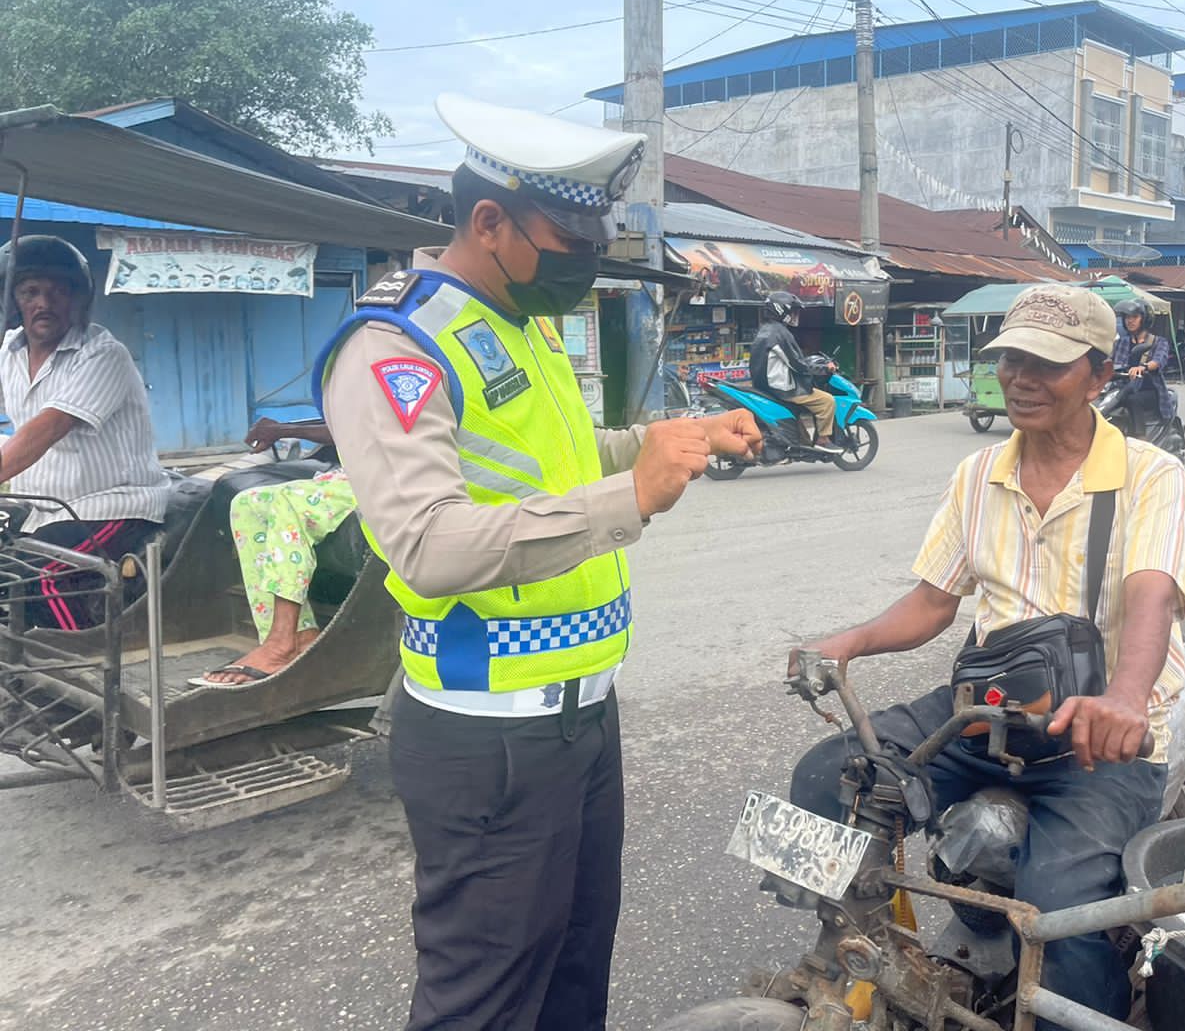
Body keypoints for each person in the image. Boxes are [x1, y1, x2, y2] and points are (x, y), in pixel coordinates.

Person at [315, 93, 762, 1031]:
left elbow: (556, 460)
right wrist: (630, 496)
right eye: (569, 234)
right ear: (489, 222)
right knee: (482, 1002)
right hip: (490, 742)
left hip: (581, 721)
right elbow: (429, 542)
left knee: (570, 977)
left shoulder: (523, 320)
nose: (586, 253)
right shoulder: (397, 343)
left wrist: (663, 441)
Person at [789, 284, 1185, 1024]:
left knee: (1065, 911)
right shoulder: (978, 475)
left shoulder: (1150, 476)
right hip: (983, 716)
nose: (1020, 378)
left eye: (1047, 364)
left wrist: (1126, 700)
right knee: (826, 779)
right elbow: (934, 602)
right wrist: (847, 643)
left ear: (1100, 375)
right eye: (1010, 358)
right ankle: (872, 952)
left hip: (1094, 740)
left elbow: (1151, 597)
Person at [0, 236, 168, 629]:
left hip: (111, 507)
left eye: (58, 291)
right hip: (45, 510)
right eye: (31, 291)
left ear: (77, 299)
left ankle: (84, 664)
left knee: (39, 578)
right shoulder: (8, 350)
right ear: (13, 300)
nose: (44, 302)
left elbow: (48, 427)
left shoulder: (102, 354)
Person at [192, 419, 356, 688]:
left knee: (289, 501)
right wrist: (285, 429)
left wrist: (287, 430)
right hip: (353, 472)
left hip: (394, 477)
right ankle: (300, 634)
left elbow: (363, 427)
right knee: (247, 504)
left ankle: (281, 642)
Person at [748, 291, 842, 452]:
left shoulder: (765, 331)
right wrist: (824, 368)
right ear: (781, 310)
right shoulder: (779, 333)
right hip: (783, 389)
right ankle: (823, 440)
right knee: (827, 401)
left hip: (766, 387)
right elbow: (797, 364)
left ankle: (802, 442)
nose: (794, 315)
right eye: (792, 311)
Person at [1111, 297, 1174, 440]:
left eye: (1134, 317)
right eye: (1127, 317)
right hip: (1122, 388)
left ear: (1144, 319)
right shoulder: (1121, 343)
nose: (1130, 320)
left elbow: (1159, 360)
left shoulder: (1158, 342)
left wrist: (1143, 367)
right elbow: (1110, 361)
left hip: (1149, 391)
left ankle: (1141, 438)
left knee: (1133, 399)